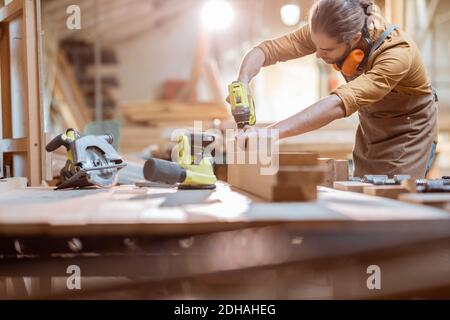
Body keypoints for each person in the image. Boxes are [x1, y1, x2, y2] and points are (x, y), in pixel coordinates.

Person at [234, 0, 438, 178]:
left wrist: (269, 134)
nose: (318, 54)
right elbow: (266, 50)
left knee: (392, 198)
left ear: (355, 39)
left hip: (409, 131)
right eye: (316, 45)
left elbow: (338, 103)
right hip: (373, 127)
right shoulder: (327, 30)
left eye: (327, 50)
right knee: (365, 191)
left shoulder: (396, 54)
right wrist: (242, 82)